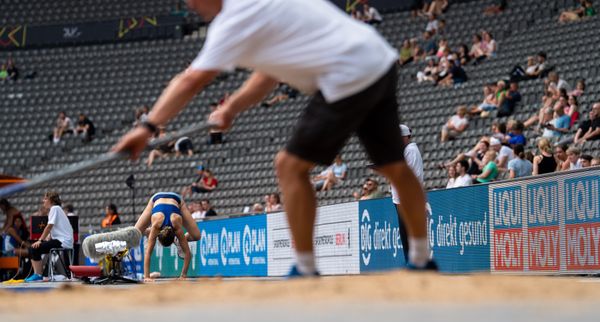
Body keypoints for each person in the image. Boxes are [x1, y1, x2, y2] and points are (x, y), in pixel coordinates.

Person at [112, 0, 437, 274]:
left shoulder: (234, 18)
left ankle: (305, 269)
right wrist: (232, 108)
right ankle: (422, 260)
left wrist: (148, 127)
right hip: (376, 60)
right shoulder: (261, 8)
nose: (190, 6)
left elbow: (191, 80)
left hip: (343, 73)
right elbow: (269, 73)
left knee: (289, 165)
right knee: (394, 165)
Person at [134, 192, 201, 281]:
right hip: (156, 200)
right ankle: (148, 232)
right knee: (134, 233)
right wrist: (183, 275)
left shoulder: (176, 225)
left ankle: (150, 233)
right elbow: (187, 253)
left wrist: (183, 276)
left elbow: (148, 252)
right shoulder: (158, 226)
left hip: (176, 200)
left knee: (197, 236)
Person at [389, 125, 423, 264]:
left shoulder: (411, 151)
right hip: (400, 196)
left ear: (404, 137)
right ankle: (409, 261)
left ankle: (414, 261)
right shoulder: (405, 151)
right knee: (404, 232)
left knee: (408, 231)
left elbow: (408, 175)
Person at [24, 192, 73, 282]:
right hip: (63, 241)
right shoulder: (57, 209)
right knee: (33, 248)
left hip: (62, 241)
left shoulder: (55, 208)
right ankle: (37, 274)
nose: (43, 201)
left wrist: (40, 240)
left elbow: (49, 226)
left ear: (52, 200)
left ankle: (38, 274)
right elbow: (57, 228)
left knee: (34, 248)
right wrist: (48, 237)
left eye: (45, 199)